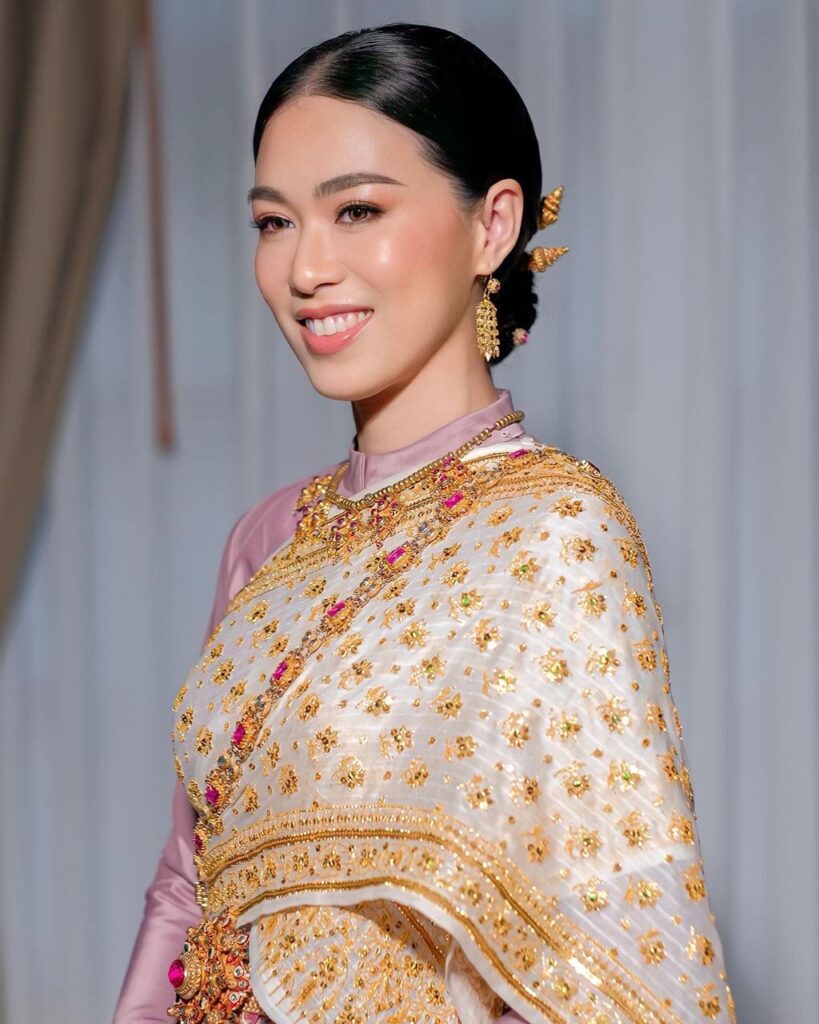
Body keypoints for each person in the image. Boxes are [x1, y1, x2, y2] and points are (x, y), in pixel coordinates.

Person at [113, 22, 736, 1024]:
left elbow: (609, 940)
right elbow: (187, 881)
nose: (305, 267)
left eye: (356, 210)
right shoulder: (266, 540)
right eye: (273, 222)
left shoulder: (553, 530)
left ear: (493, 226)